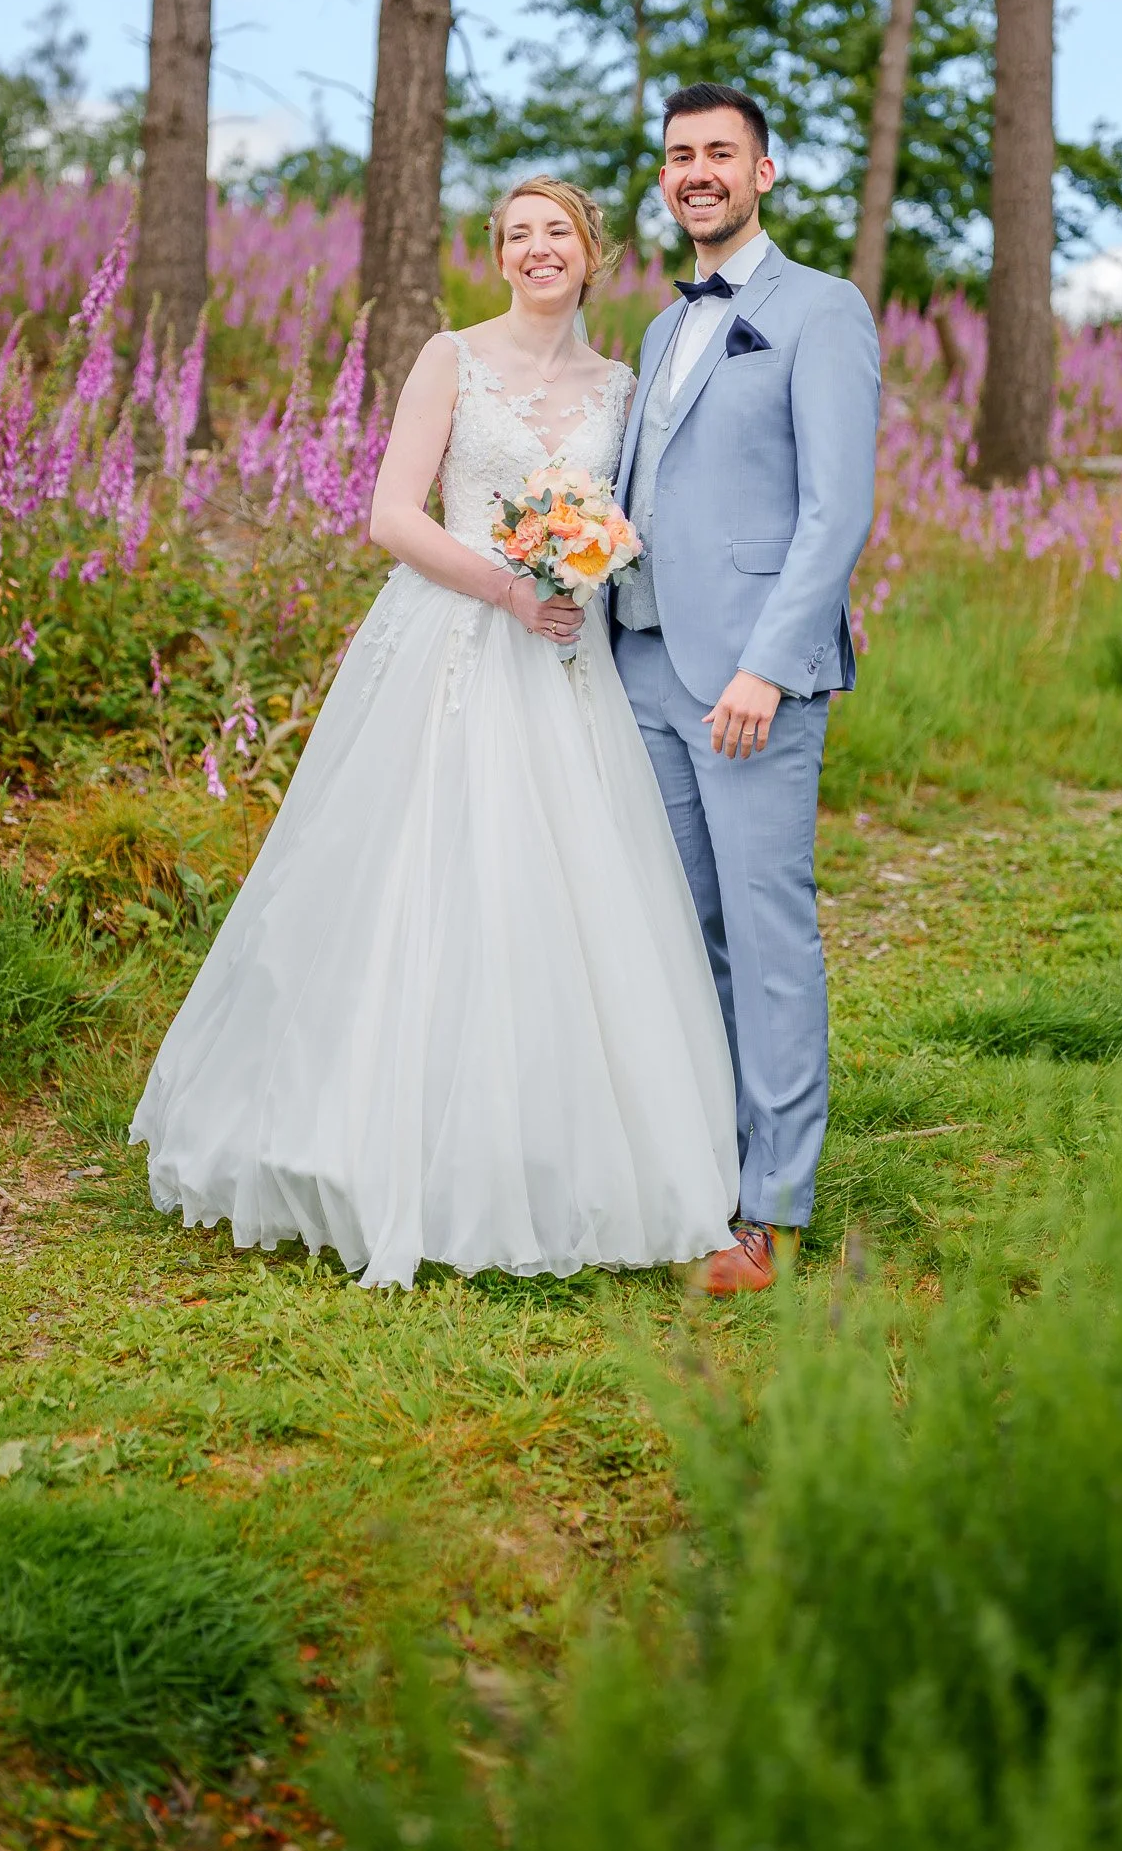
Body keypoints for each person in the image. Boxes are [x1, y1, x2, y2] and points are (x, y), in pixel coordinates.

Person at [130, 177, 738, 1289]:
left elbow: (630, 516)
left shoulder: (621, 381)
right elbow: (390, 514)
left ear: (591, 252)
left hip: (566, 661)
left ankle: (549, 1155)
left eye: (556, 233)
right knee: (416, 885)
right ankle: (364, 1146)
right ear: (497, 254)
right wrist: (506, 588)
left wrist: (588, 565)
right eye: (517, 236)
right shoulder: (448, 357)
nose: (536, 250)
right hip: (449, 646)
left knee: (564, 897)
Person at [613, 84, 881, 1294]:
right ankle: (694, 1173)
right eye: (679, 156)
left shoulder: (822, 311)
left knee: (766, 933)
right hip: (638, 664)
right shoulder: (657, 330)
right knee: (680, 932)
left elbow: (836, 510)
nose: (698, 172)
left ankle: (771, 1205)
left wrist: (766, 667)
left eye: (720, 152)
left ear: (764, 172)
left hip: (750, 682)